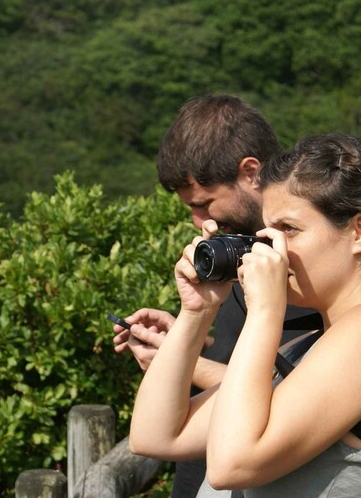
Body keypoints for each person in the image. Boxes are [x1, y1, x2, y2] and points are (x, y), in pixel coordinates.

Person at [128, 133, 361, 497]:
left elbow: (231, 465)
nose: (267, 248)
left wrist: (264, 313)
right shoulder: (314, 343)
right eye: (266, 231)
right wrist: (197, 312)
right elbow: (156, 435)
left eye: (289, 229)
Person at [112, 93, 318, 496]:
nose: (198, 220)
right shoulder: (240, 248)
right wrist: (187, 334)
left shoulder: (302, 266)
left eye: (204, 203)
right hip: (200, 467)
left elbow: (292, 386)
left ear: (251, 172)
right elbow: (244, 348)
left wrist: (184, 362)